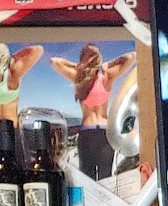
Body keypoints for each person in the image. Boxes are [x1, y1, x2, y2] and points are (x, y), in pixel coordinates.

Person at [49, 42, 135, 180]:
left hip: (89, 133)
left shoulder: (82, 77)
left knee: (89, 176)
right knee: (103, 176)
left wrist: (83, 67)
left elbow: (54, 62)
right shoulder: (104, 76)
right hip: (103, 132)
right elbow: (131, 57)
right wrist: (100, 66)